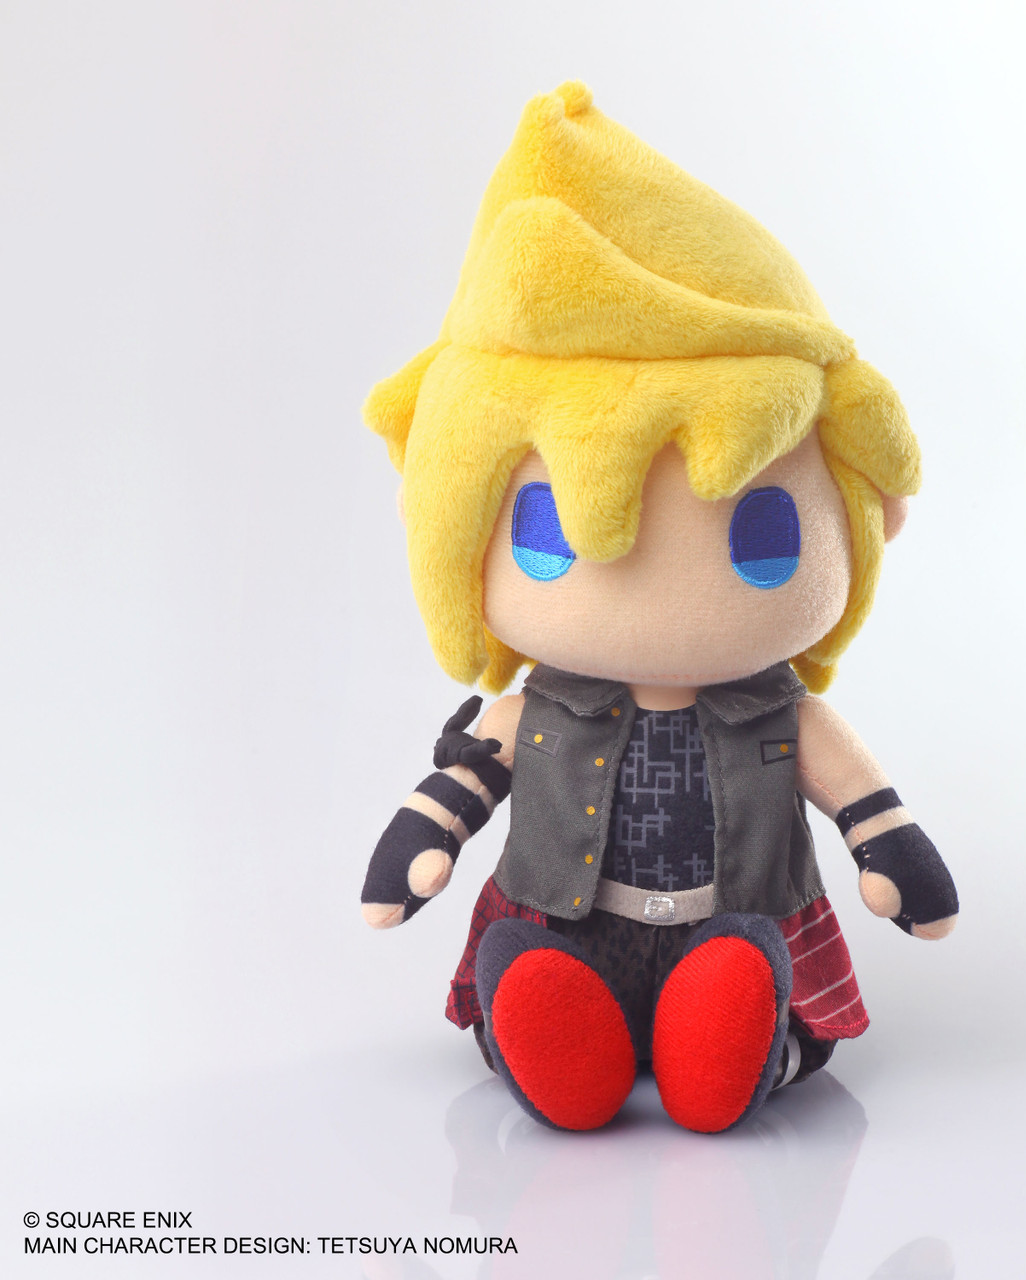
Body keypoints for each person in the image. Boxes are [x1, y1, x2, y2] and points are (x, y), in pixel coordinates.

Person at [359, 82, 958, 1133]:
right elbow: (468, 777)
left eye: (761, 534)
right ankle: (557, 1030)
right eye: (549, 533)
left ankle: (729, 1036)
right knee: (531, 980)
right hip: (565, 930)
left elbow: (856, 792)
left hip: (739, 930)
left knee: (743, 983)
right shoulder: (536, 710)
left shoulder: (780, 714)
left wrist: (888, 846)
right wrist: (425, 836)